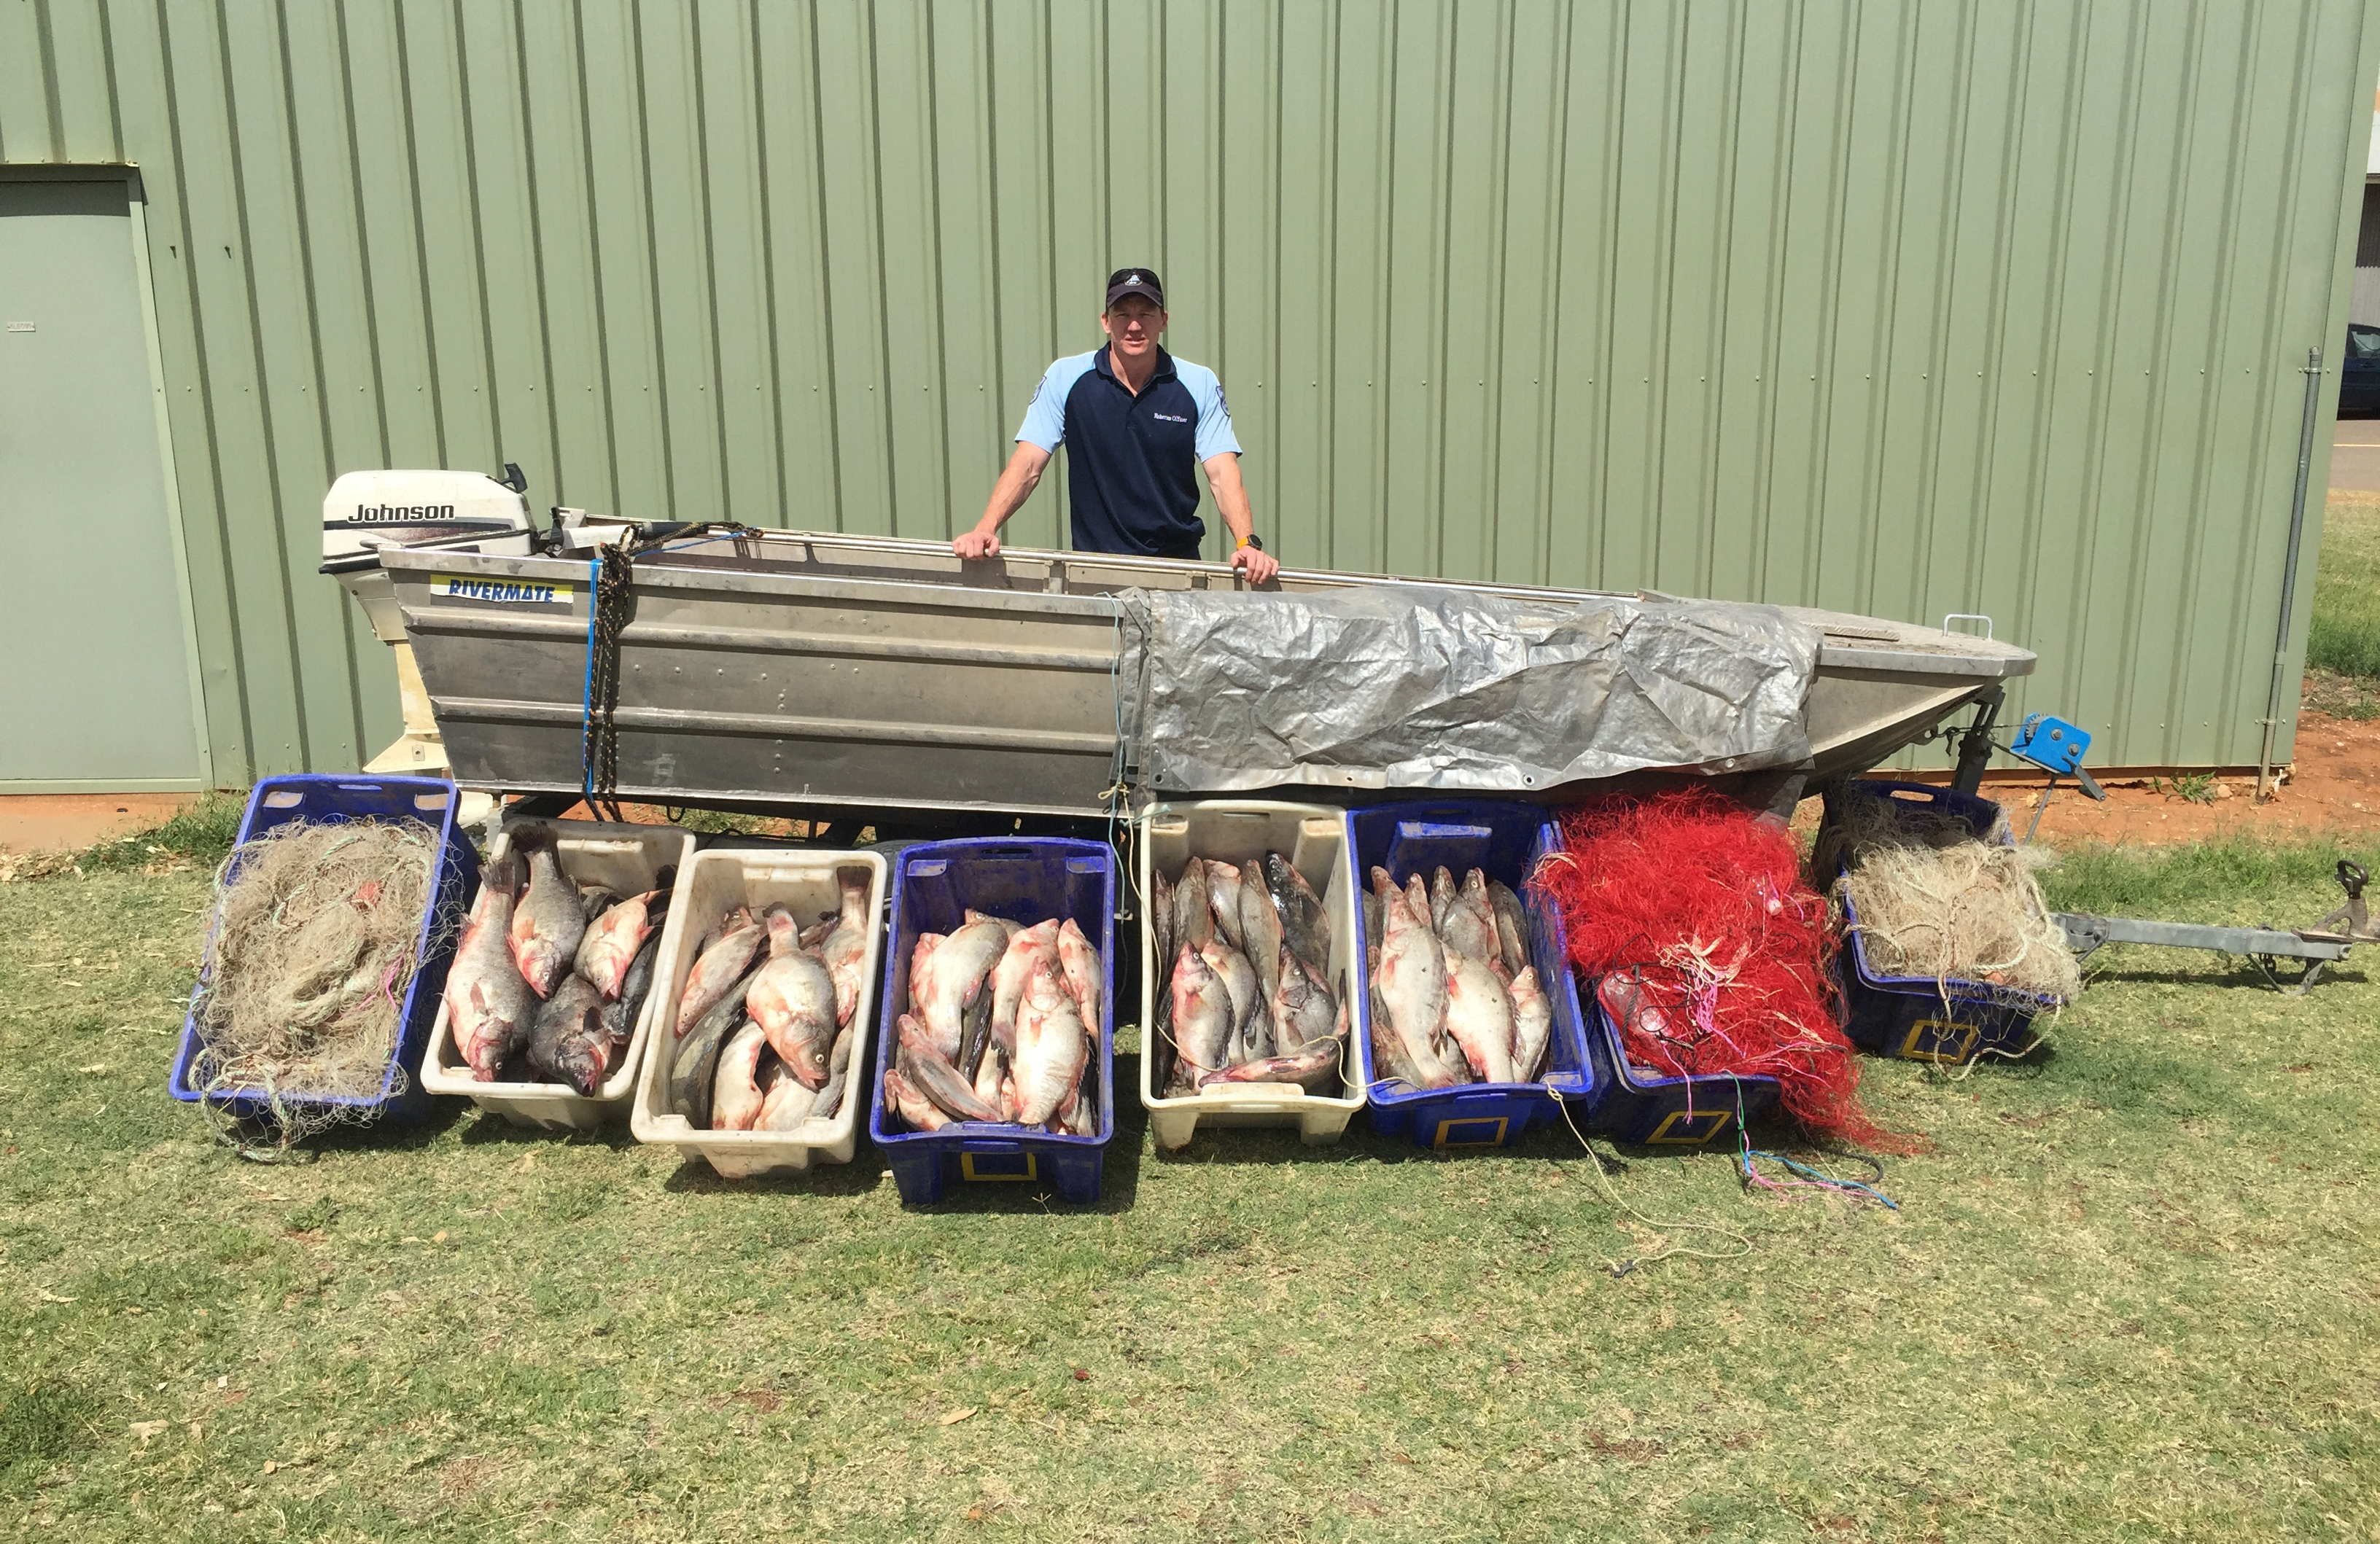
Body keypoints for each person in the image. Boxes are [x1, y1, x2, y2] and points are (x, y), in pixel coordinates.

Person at [952, 268, 1280, 583]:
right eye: (1123, 314)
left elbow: (1223, 474)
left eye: (1146, 314)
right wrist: (986, 526)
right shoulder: (1066, 379)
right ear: (1106, 322)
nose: (1134, 326)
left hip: (1177, 570)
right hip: (1094, 571)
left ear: (1163, 321)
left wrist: (1246, 544)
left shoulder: (1198, 384)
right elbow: (1028, 465)